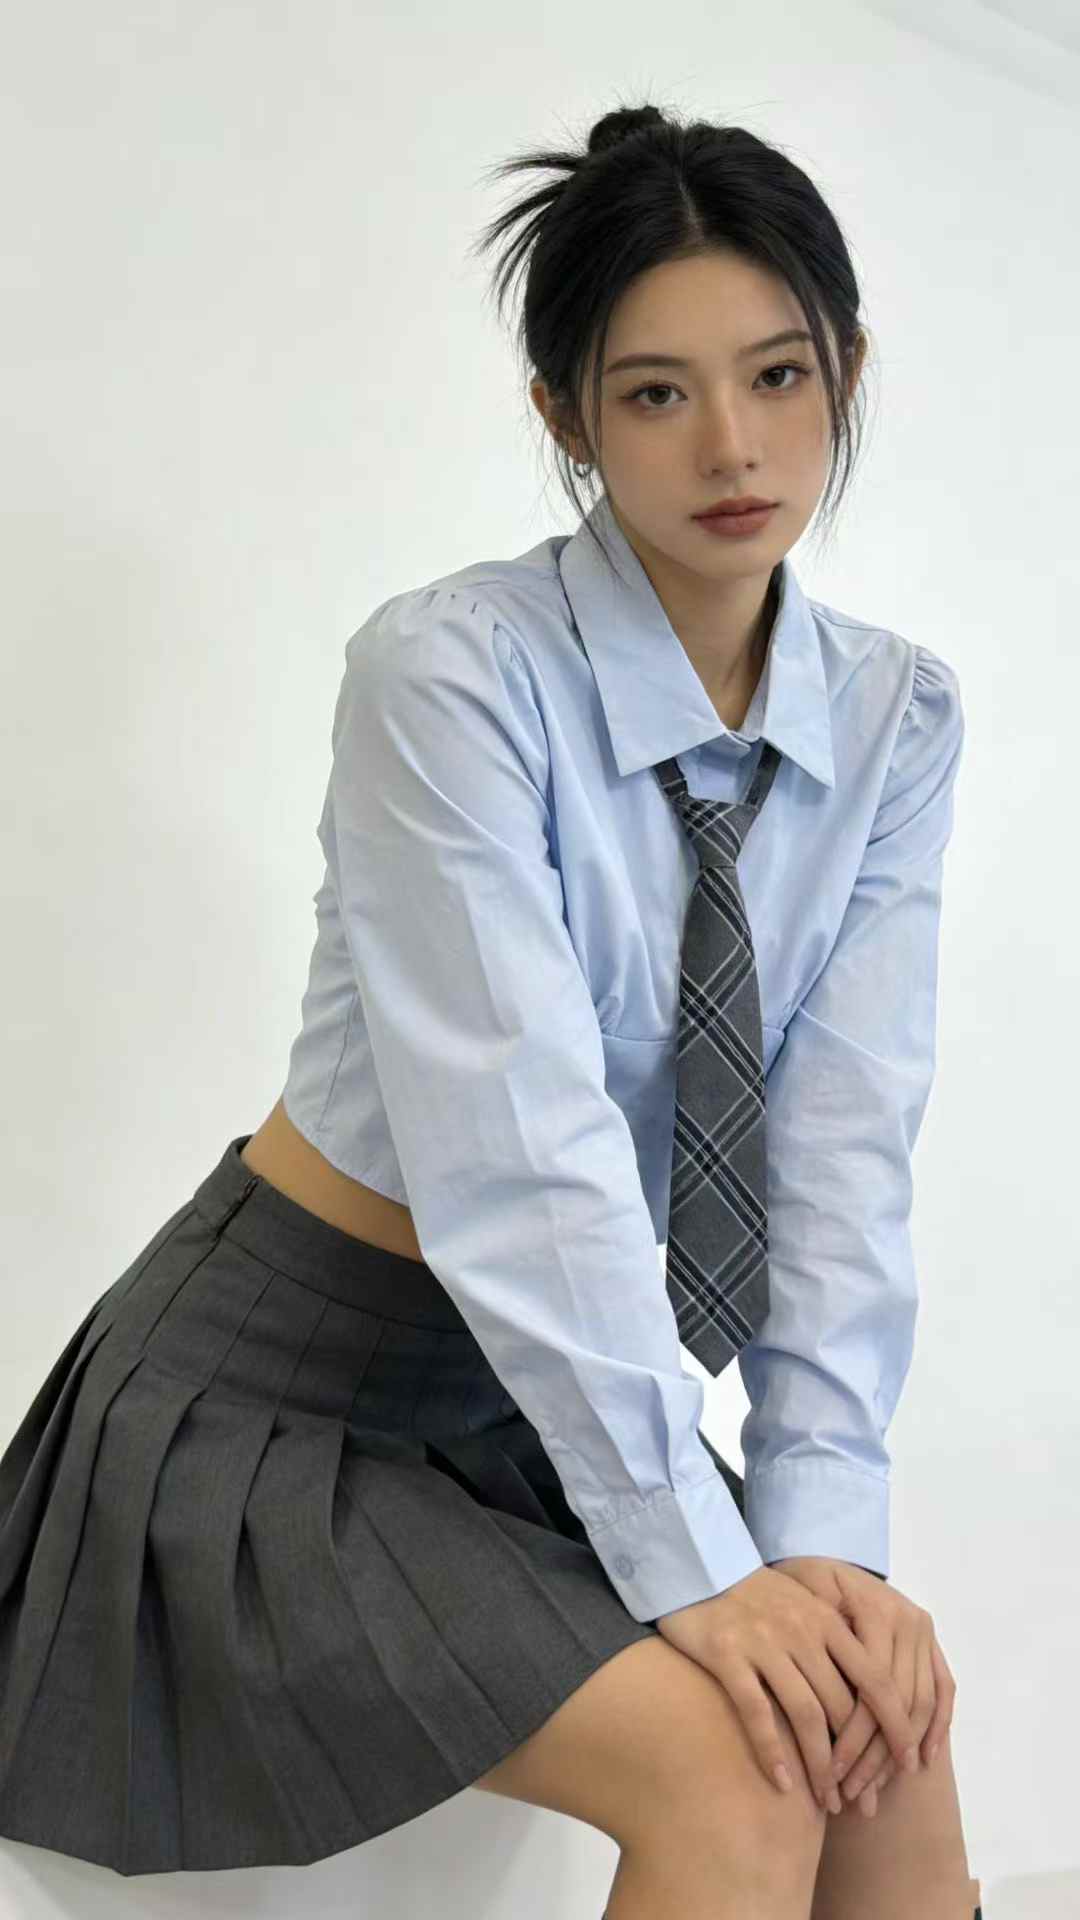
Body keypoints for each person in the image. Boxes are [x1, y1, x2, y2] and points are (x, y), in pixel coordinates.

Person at [0, 99, 979, 1917]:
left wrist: (822, 1549)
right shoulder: (452, 677)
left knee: (882, 1730)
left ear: (847, 368)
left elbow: (845, 1164)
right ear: (566, 418)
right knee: (742, 1769)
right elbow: (523, 1163)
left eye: (777, 375)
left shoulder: (892, 723)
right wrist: (700, 1566)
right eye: (656, 393)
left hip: (530, 1409)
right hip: (278, 1408)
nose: (733, 445)